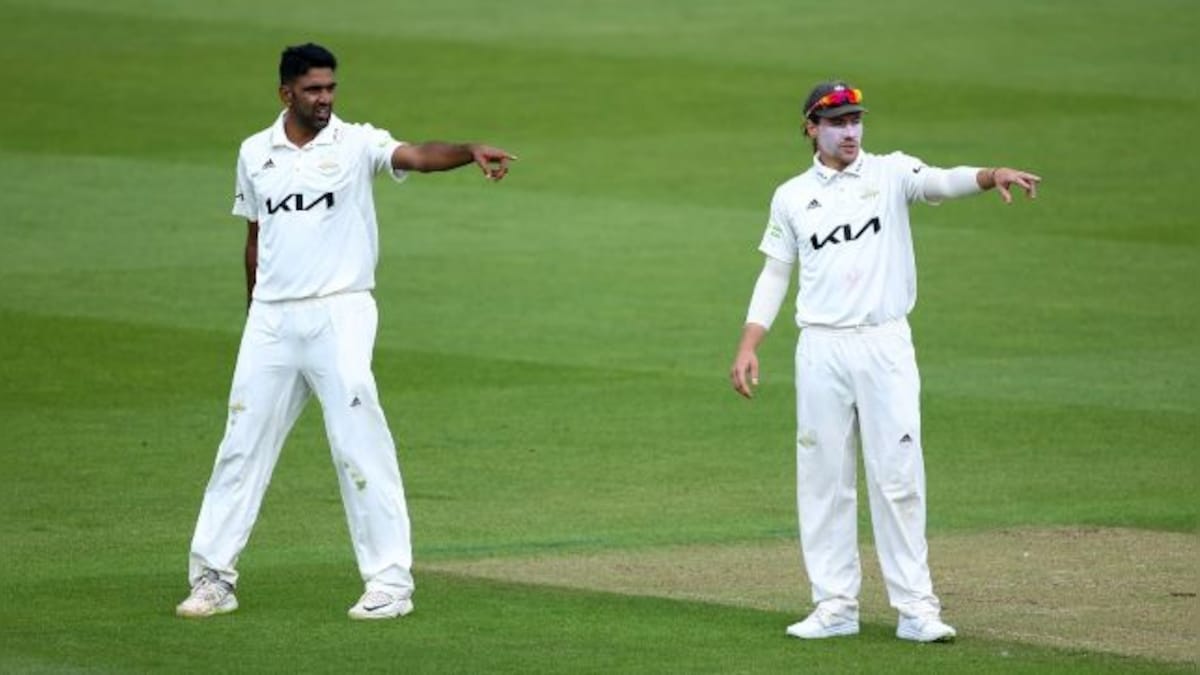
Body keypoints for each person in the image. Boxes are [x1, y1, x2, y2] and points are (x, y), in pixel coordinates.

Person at [176, 43, 516, 620]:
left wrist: (466, 151)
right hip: (271, 318)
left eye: (330, 88)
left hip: (340, 311)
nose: (325, 99)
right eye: (313, 90)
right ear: (286, 93)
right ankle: (212, 577)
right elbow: (256, 238)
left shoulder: (355, 142)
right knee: (239, 447)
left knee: (359, 442)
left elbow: (415, 154)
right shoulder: (255, 152)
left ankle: (390, 584)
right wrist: (254, 313)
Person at [728, 80, 1039, 642]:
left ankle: (917, 609)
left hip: (883, 343)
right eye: (837, 123)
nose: (850, 131)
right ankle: (834, 606)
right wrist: (750, 343)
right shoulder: (792, 196)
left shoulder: (891, 172)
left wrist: (992, 175)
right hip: (820, 348)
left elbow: (942, 180)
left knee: (897, 477)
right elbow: (776, 271)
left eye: (855, 121)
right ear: (811, 129)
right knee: (823, 479)